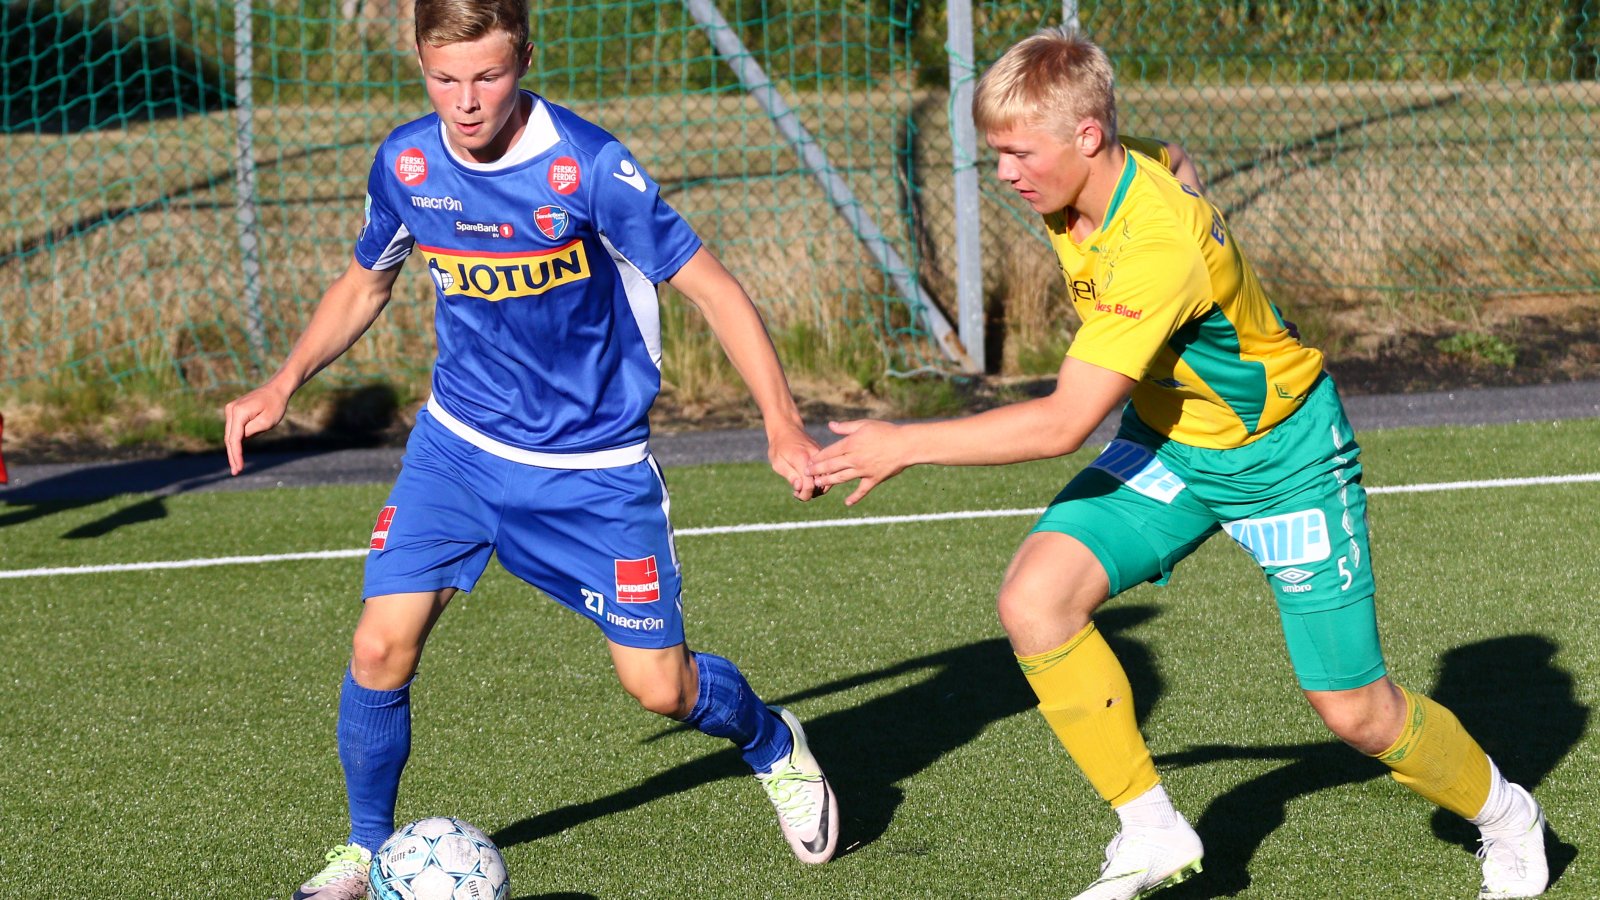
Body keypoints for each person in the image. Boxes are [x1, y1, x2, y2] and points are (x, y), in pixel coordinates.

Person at [807, 26, 1548, 900]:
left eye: (1018, 152)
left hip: (1283, 460)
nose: (1003, 173)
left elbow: (1064, 423)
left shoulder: (1155, 247)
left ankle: (1510, 817)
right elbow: (1176, 158)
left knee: (1355, 712)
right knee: (1035, 600)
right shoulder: (1106, 172)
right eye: (996, 152)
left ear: (1087, 136)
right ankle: (1150, 829)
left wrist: (903, 442)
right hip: (1171, 447)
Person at [223, 1, 838, 895]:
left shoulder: (587, 167)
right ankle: (365, 848)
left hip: (593, 471)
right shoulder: (407, 162)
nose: (466, 101)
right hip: (458, 449)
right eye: (444, 78)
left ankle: (771, 741)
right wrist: (284, 382)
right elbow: (365, 282)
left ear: (525, 60)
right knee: (379, 648)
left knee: (661, 689)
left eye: (488, 75)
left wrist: (780, 422)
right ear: (420, 63)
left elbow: (715, 290)